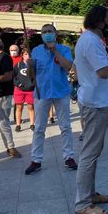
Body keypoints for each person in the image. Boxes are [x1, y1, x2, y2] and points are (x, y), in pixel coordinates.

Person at [74, 5, 108, 214]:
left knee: (93, 151)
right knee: (90, 153)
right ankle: (83, 203)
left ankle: (90, 194)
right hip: (94, 103)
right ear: (100, 21)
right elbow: (102, 72)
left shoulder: (90, 40)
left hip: (95, 100)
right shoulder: (91, 41)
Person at [24, 24, 77, 175]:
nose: (47, 34)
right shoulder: (36, 51)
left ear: (55, 34)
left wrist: (55, 51)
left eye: (50, 31)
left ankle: (69, 157)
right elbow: (30, 76)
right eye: (44, 32)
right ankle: (36, 160)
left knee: (65, 126)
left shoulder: (64, 49)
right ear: (41, 35)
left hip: (61, 92)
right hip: (42, 93)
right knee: (39, 128)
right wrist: (29, 66)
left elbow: (69, 67)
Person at [12, 49, 35, 132]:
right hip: (19, 89)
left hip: (30, 90)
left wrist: (33, 84)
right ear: (22, 55)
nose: (27, 56)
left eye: (28, 54)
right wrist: (18, 84)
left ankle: (32, 124)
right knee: (19, 107)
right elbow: (13, 77)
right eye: (25, 54)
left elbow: (36, 77)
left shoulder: (33, 65)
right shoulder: (18, 65)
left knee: (31, 107)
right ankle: (18, 124)